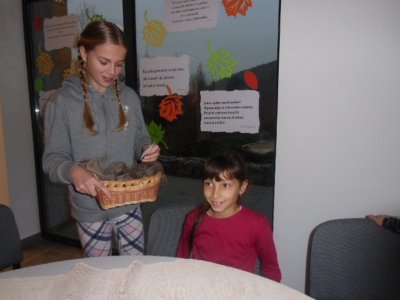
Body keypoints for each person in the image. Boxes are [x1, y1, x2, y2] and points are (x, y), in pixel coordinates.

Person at [42, 20, 160, 257]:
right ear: (84, 53)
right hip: (89, 210)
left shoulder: (129, 96)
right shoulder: (63, 101)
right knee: (98, 275)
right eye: (104, 62)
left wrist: (146, 149)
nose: (111, 72)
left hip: (128, 203)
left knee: (135, 267)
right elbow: (52, 160)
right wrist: (74, 171)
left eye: (119, 64)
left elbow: (140, 140)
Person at [177, 150, 282, 282]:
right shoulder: (193, 218)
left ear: (242, 187)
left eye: (225, 185)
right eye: (209, 184)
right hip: (201, 288)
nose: (215, 194)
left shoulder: (257, 225)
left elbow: (271, 270)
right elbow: (182, 261)